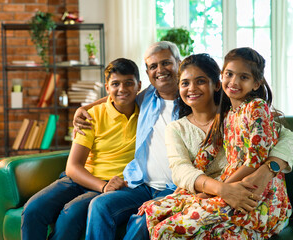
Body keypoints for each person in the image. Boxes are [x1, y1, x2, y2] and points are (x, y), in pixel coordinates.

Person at [73, 42, 293, 240]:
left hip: (195, 189)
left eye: (200, 81)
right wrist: (84, 108)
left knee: (147, 222)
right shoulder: (153, 102)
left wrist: (269, 169)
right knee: (102, 206)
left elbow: (283, 136)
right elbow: (121, 92)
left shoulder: (236, 114)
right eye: (185, 83)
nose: (191, 88)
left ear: (216, 84)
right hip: (155, 185)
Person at [145, 50, 292, 239]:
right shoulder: (228, 116)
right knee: (154, 211)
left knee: (165, 230)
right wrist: (190, 194)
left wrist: (266, 171)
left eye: (243, 77)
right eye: (229, 75)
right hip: (225, 189)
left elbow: (265, 153)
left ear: (215, 84)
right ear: (222, 77)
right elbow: (200, 159)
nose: (234, 82)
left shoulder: (255, 108)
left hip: (256, 194)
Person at [20, 58, 141, 240]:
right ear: (107, 88)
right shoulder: (91, 116)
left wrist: (107, 187)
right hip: (81, 179)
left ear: (139, 86)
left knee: (70, 216)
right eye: (115, 84)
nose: (122, 89)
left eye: (128, 83)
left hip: (115, 183)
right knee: (33, 210)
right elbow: (73, 167)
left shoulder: (146, 112)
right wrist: (103, 186)